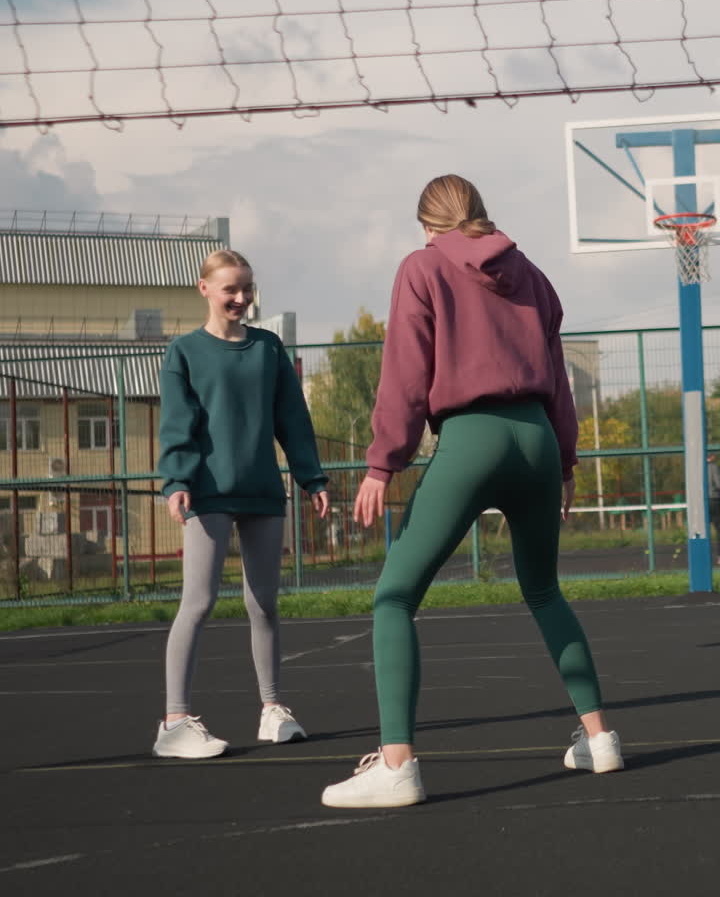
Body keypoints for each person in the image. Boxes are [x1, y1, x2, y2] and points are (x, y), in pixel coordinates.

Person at [322, 174, 623, 808]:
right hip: (538, 438)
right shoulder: (533, 275)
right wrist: (566, 462)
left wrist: (384, 462)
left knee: (395, 596)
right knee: (543, 589)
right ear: (482, 215)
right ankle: (600, 739)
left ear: (427, 226)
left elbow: (406, 368)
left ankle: (397, 764)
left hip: (472, 438)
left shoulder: (422, 267)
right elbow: (561, 383)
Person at [153, 247, 329, 759]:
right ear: (204, 288)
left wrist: (311, 479)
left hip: (262, 494)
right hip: (206, 494)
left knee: (264, 604)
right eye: (230, 288)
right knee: (199, 601)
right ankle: (174, 720)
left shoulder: (269, 350)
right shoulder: (184, 352)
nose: (241, 298)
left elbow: (292, 420)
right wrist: (177, 480)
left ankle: (273, 710)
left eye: (247, 288)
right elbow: (177, 424)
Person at [707, 453, 720, 563]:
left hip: (701, 502)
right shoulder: (713, 467)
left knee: (702, 531)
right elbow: (718, 484)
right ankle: (719, 557)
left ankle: (704, 557)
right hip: (714, 500)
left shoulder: (697, 467)